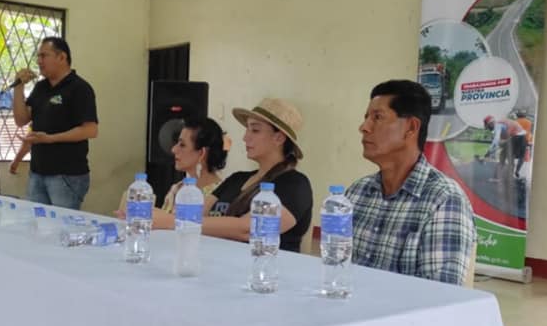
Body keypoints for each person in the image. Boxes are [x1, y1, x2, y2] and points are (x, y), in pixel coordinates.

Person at [347, 80, 476, 285]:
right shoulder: (357, 192)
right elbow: (336, 267)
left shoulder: (444, 199)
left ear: (411, 127)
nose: (364, 127)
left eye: (377, 117)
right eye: (366, 118)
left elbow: (441, 294)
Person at [154, 98, 312, 253]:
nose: (245, 137)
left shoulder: (295, 184)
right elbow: (194, 214)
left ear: (279, 138)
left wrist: (175, 222)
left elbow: (248, 229)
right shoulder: (237, 179)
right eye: (247, 129)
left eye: (255, 130)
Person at [12, 37, 98, 209]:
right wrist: (18, 87)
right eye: (38, 56)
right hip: (37, 172)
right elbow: (21, 120)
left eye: (44, 56)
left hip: (67, 175)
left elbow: (90, 130)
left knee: (62, 223)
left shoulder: (79, 88)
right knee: (35, 221)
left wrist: (51, 139)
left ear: (62, 57)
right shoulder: (41, 88)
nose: (39, 61)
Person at [483, 115, 527, 180]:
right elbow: (502, 141)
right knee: (516, 156)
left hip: (516, 137)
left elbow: (496, 141)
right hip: (522, 137)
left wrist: (489, 152)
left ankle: (501, 177)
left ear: (491, 123)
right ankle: (514, 174)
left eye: (488, 127)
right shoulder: (502, 124)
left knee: (505, 156)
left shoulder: (498, 125)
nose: (489, 129)